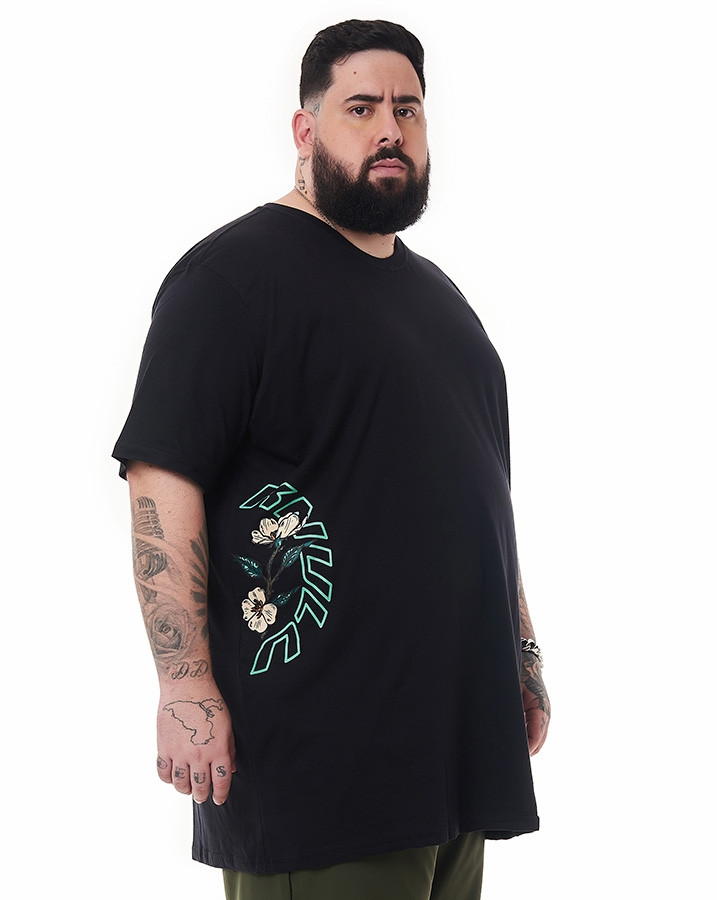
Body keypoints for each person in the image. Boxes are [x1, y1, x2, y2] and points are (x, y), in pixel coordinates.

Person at [113, 18, 550, 900]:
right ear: (305, 128)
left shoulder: (443, 303)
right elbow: (164, 474)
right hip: (324, 762)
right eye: (361, 107)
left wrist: (522, 656)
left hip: (457, 752)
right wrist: (184, 683)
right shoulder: (232, 279)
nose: (390, 129)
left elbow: (480, 498)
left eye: (408, 109)